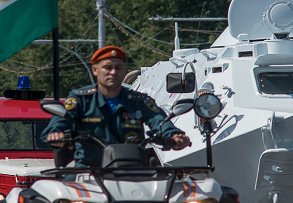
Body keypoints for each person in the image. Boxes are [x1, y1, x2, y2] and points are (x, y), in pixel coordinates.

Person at [43, 46, 191, 167]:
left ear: (125, 70)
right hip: (89, 172)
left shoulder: (139, 101)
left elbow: (158, 120)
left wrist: (173, 135)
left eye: (118, 67)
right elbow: (59, 123)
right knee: (61, 198)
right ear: (95, 70)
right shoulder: (80, 99)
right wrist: (57, 135)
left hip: (132, 171)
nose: (113, 72)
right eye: (107, 67)